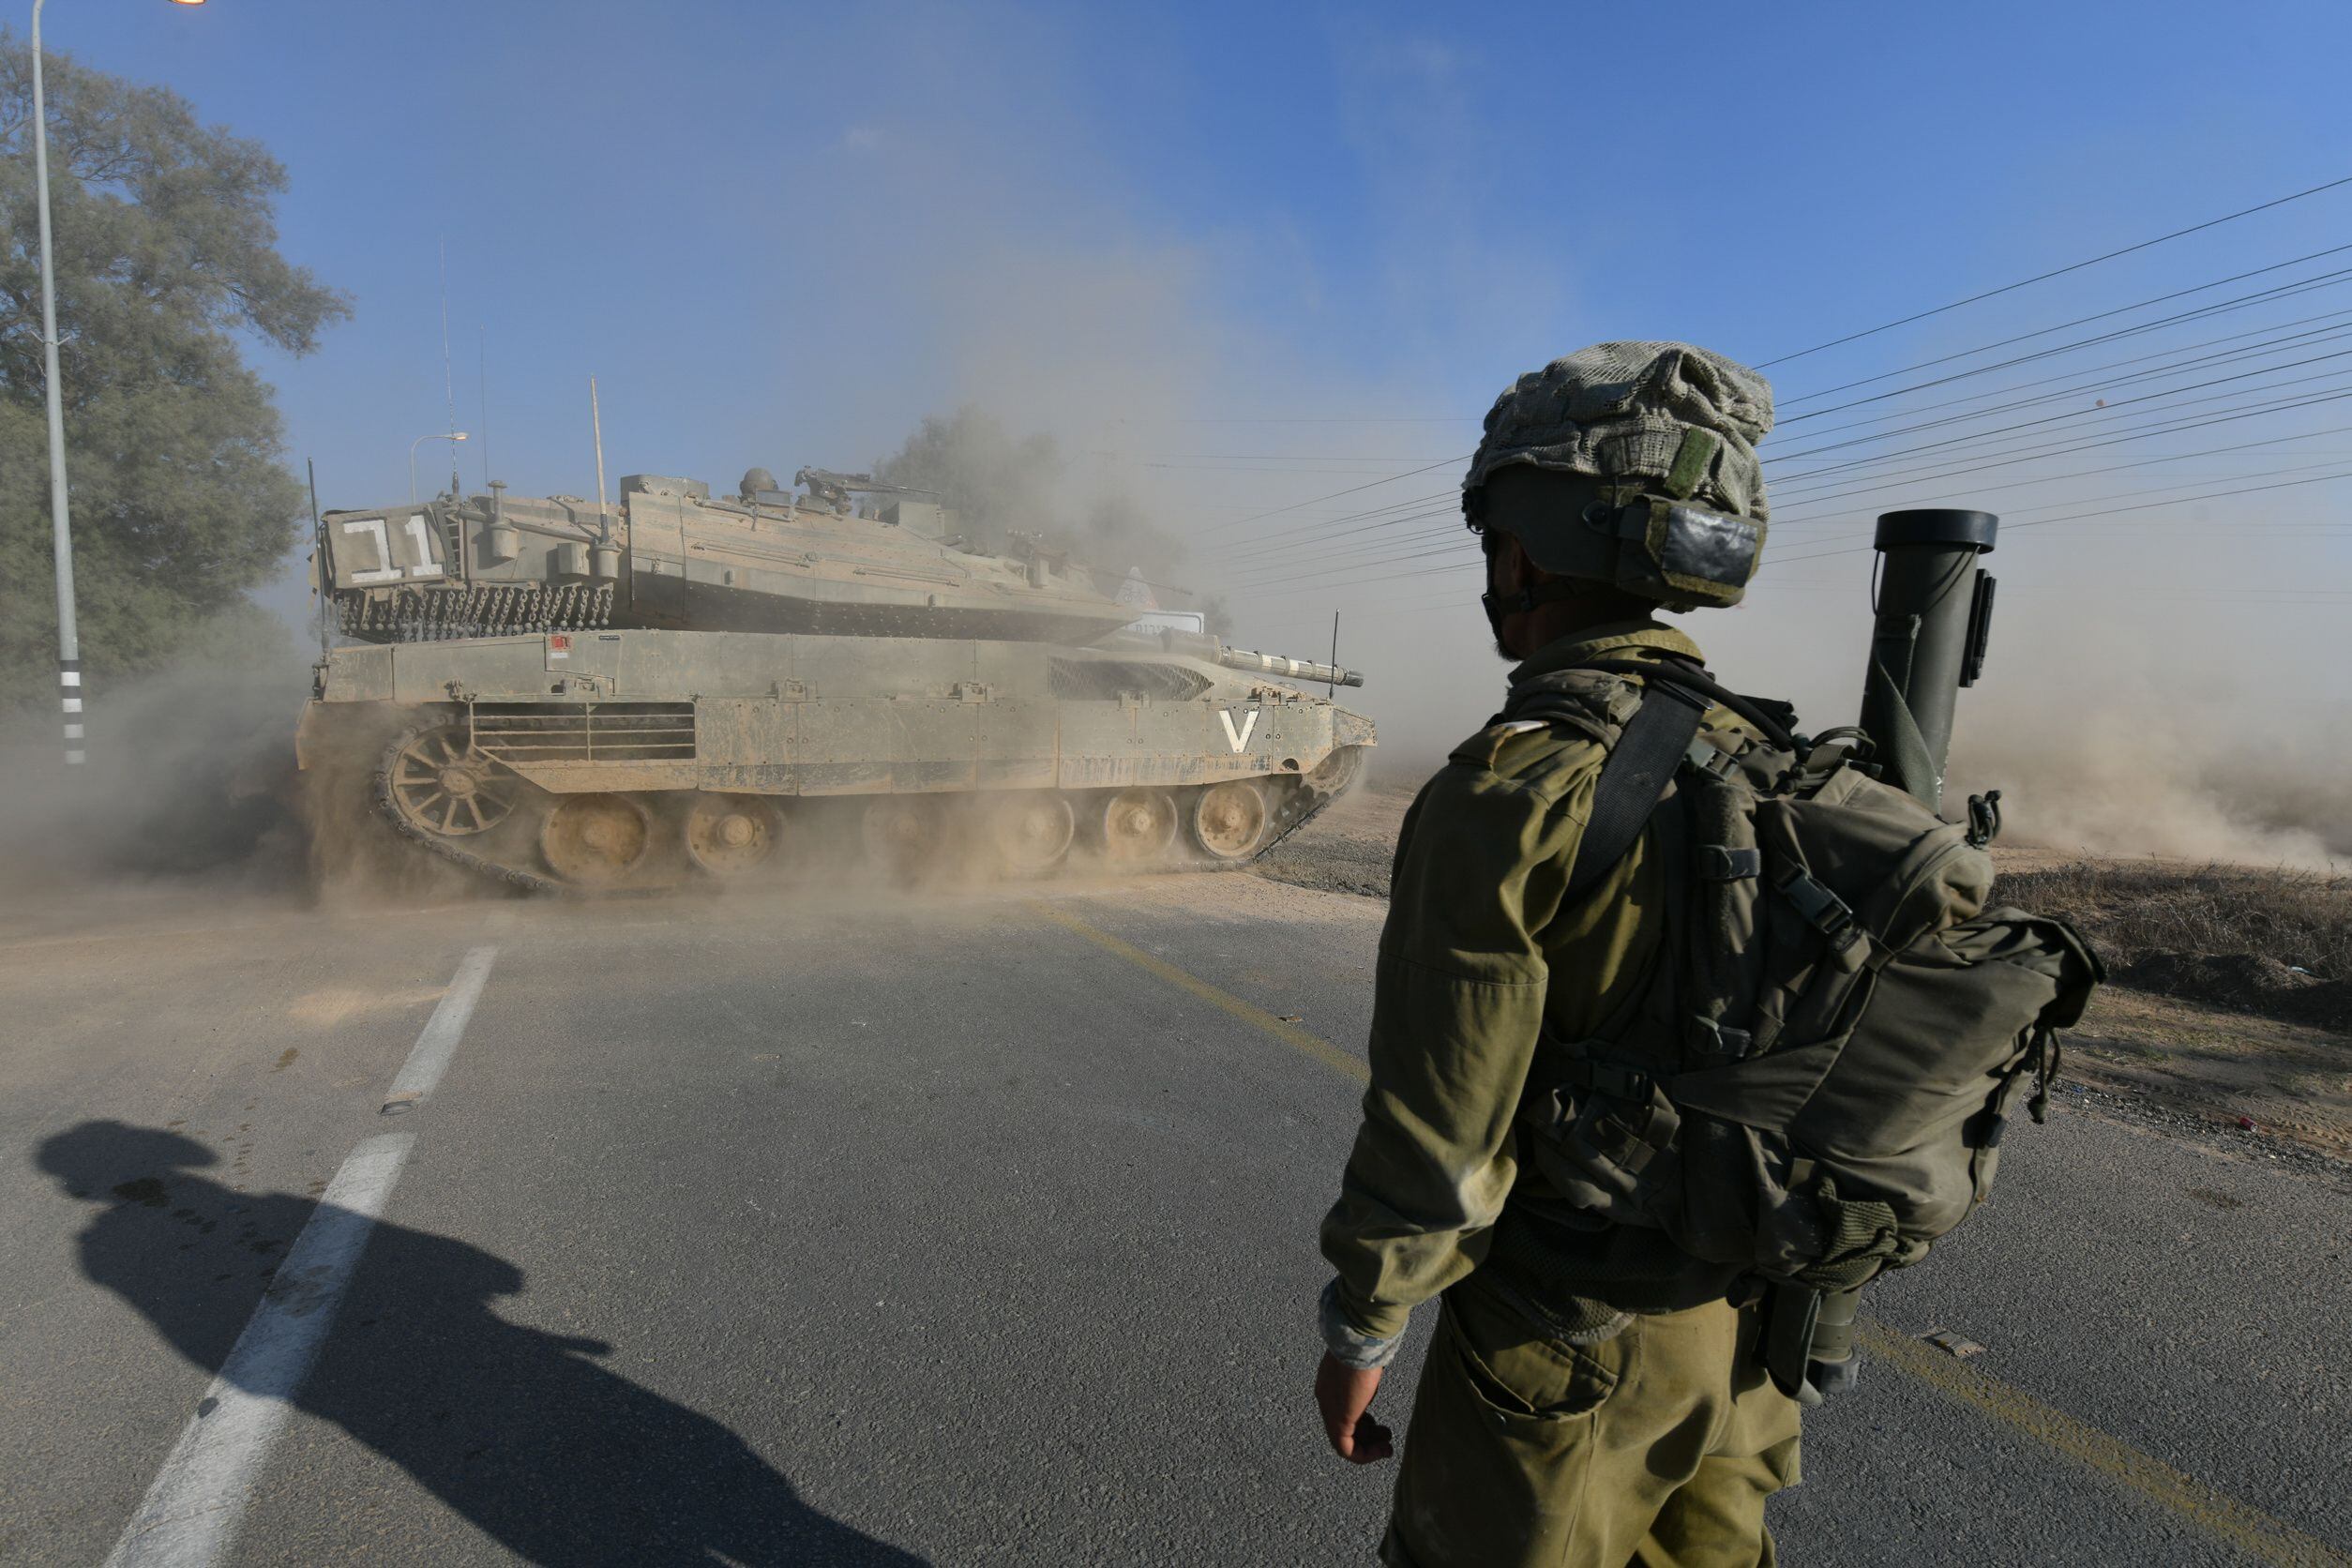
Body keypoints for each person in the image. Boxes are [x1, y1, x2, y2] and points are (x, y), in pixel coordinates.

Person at [1314, 342, 1803, 1567]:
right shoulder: (1775, 763)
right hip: (1747, 1336)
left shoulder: (1510, 790)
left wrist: (1365, 1328)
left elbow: (1444, 1129)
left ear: (1522, 550)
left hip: (1567, 1339)